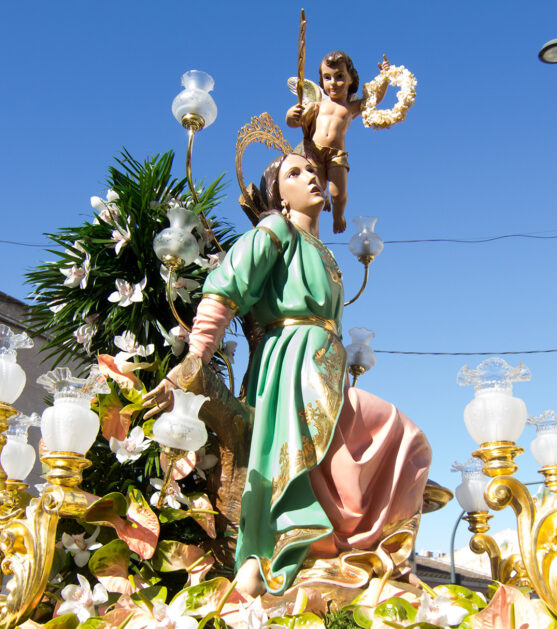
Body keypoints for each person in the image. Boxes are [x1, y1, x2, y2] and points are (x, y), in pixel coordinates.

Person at [146, 153, 431, 596]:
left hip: (327, 366)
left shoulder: (322, 251)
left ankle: (349, 552)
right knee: (397, 433)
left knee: (351, 458)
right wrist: (193, 361)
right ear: (278, 195)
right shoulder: (275, 231)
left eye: (312, 170)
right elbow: (226, 288)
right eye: (293, 173)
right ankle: (282, 550)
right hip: (293, 365)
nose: (310, 177)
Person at [285, 51, 389, 235]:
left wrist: (385, 77)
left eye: (339, 76)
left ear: (351, 79)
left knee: (338, 194)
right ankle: (314, 216)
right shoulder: (317, 105)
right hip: (314, 151)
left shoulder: (350, 107)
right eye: (327, 77)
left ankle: (338, 216)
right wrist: (292, 114)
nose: (333, 82)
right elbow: (295, 122)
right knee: (313, 188)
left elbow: (374, 99)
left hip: (336, 155)